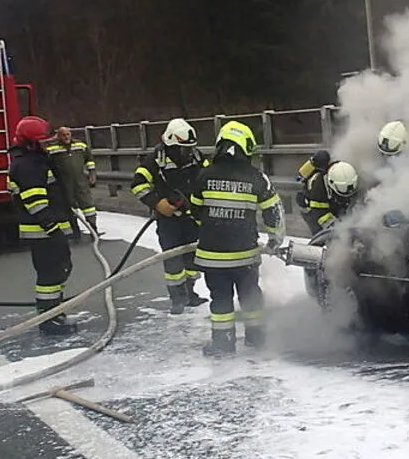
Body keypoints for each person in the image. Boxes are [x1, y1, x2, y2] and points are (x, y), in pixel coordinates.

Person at [188, 120, 284, 355]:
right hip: (245, 257)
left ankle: (223, 344)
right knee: (251, 297)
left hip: (213, 257)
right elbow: (274, 212)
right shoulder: (256, 178)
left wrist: (212, 227)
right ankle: (257, 339)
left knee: (220, 301)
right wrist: (274, 240)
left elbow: (195, 211)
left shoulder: (205, 176)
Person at [8, 115, 77, 336]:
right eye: (41, 141)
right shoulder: (28, 164)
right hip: (44, 232)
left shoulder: (34, 160)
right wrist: (53, 228)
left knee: (59, 270)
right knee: (50, 275)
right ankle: (49, 321)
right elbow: (36, 202)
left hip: (48, 229)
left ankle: (55, 312)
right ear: (29, 142)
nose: (46, 144)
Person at [130, 118, 207, 314]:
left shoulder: (196, 156)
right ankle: (177, 298)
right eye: (183, 149)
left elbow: (208, 175)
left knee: (192, 258)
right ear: (171, 145)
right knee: (173, 258)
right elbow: (138, 184)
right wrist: (157, 203)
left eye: (189, 149)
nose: (187, 153)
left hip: (192, 217)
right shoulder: (156, 159)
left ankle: (190, 293)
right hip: (168, 219)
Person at [46, 126, 98, 242]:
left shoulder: (80, 145)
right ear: (58, 136)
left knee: (88, 206)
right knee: (69, 208)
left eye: (68, 134)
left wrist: (92, 174)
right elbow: (48, 166)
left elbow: (89, 159)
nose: (66, 137)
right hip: (64, 184)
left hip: (81, 181)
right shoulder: (52, 149)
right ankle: (75, 232)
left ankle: (94, 229)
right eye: (63, 135)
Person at [300, 160, 360, 235]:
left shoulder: (347, 173)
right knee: (322, 232)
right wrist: (341, 229)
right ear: (331, 184)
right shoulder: (318, 189)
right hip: (313, 208)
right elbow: (321, 215)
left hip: (331, 200)